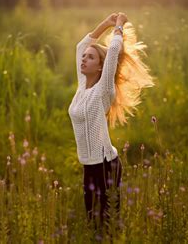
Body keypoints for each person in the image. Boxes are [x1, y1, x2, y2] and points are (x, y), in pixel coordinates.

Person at [68, 12, 154, 230]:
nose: (84, 59)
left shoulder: (103, 90)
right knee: (92, 222)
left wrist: (118, 26)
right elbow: (81, 46)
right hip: (88, 164)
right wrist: (104, 24)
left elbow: (113, 51)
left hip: (106, 164)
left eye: (90, 57)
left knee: (109, 223)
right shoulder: (82, 88)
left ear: (100, 67)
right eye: (84, 57)